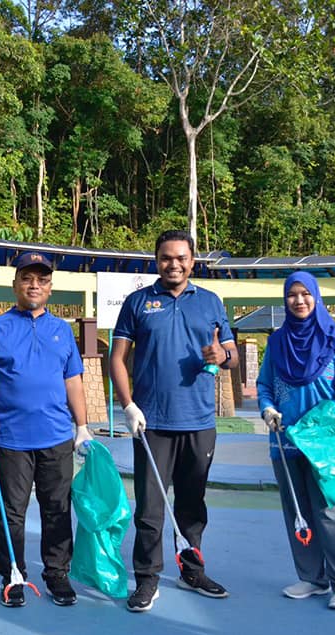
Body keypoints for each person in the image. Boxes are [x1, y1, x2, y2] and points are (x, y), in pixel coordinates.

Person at [109, 229, 238, 613]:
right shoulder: (138, 302)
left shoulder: (211, 302)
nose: (174, 264)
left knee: (192, 505)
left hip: (199, 422)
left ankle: (192, 570)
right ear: (157, 261)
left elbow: (230, 354)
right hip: (152, 425)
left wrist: (222, 356)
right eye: (167, 257)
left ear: (192, 261)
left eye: (181, 257)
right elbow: (117, 359)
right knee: (150, 508)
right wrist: (128, 405)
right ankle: (147, 579)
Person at [0, 251, 92, 608]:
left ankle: (57, 574)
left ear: (50, 287)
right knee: (11, 514)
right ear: (15, 284)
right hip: (10, 440)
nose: (34, 285)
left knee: (57, 509)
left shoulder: (62, 331)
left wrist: (81, 425)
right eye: (27, 278)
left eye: (41, 279)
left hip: (56, 437)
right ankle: (13, 575)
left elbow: (73, 381)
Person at [256, 271, 335, 612]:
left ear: (316, 297)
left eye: (306, 294)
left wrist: (321, 423)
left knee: (329, 513)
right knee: (297, 514)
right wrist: (268, 408)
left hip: (325, 446)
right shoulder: (276, 343)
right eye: (292, 294)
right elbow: (264, 385)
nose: (299, 300)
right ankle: (312, 578)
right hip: (285, 442)